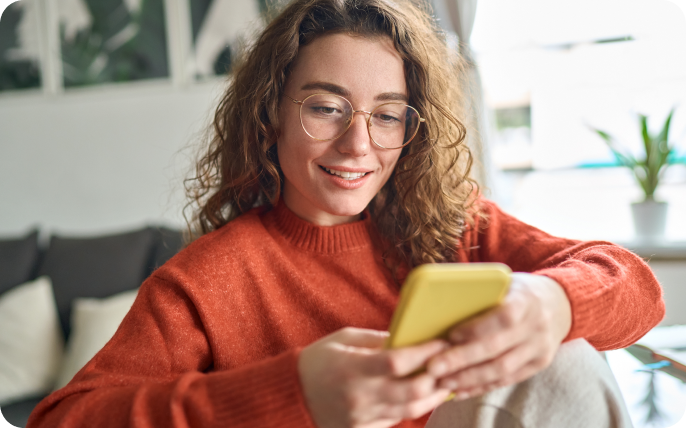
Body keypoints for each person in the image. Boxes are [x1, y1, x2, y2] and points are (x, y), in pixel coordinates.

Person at [28, 0, 664, 427]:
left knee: (569, 354)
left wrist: (552, 303)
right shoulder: (203, 283)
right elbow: (63, 418)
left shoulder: (455, 227)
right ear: (272, 112)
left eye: (386, 115)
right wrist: (293, 391)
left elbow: (634, 286)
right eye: (326, 108)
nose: (358, 145)